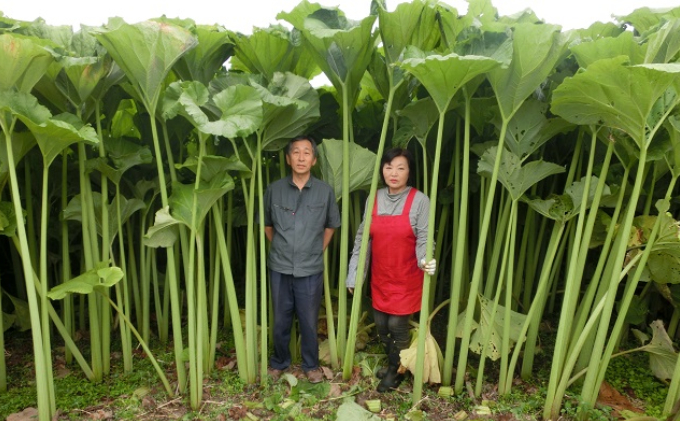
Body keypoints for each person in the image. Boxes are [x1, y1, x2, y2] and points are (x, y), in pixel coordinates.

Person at [346, 148, 436, 392]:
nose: (394, 173)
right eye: (388, 167)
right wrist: (355, 274)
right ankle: (395, 363)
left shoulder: (420, 199)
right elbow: (363, 239)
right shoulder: (374, 197)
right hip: (382, 275)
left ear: (409, 172)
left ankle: (396, 370)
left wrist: (425, 259)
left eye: (401, 167)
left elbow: (424, 238)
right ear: (382, 170)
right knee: (381, 324)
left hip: (406, 276)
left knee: (397, 325)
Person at [264, 135, 341, 384]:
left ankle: (311, 365)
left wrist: (317, 249)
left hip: (310, 267)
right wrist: (281, 247)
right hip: (280, 265)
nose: (301, 157)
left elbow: (331, 226)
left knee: (309, 320)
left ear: (314, 160)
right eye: (296, 152)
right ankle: (279, 363)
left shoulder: (324, 192)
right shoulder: (274, 189)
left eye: (306, 152)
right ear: (288, 159)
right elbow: (267, 226)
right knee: (280, 319)